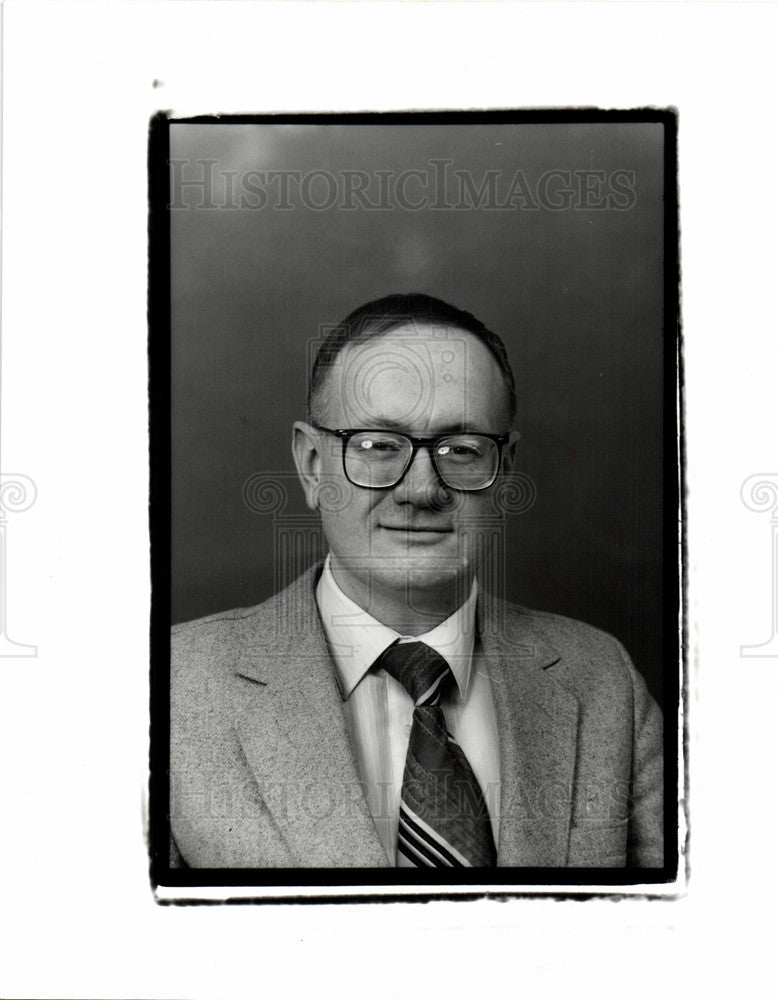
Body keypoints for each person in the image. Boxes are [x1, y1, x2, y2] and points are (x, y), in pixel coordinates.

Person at [169, 293, 663, 869]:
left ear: (505, 470)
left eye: (461, 449)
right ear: (311, 465)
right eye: (378, 446)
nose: (421, 489)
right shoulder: (172, 691)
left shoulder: (605, 683)